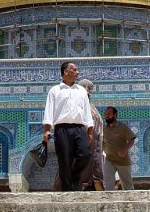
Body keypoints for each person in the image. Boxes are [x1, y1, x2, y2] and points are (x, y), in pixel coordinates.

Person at [42, 61, 93, 191]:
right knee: (64, 160)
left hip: (79, 128)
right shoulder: (55, 90)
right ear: (65, 72)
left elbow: (86, 111)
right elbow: (49, 110)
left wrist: (90, 130)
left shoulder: (81, 91)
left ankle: (75, 177)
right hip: (62, 129)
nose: (78, 72)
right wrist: (47, 130)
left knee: (85, 155)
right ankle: (67, 188)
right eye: (74, 70)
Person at [77, 79, 104, 191]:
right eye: (89, 90)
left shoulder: (91, 107)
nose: (90, 93)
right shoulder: (79, 107)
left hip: (96, 144)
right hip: (86, 143)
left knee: (96, 168)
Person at [102, 106, 136, 191]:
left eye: (109, 114)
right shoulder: (104, 129)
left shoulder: (122, 127)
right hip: (109, 159)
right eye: (106, 114)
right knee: (108, 183)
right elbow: (102, 143)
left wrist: (125, 149)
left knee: (127, 185)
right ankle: (109, 202)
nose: (107, 116)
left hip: (122, 160)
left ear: (115, 115)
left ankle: (132, 202)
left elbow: (132, 139)